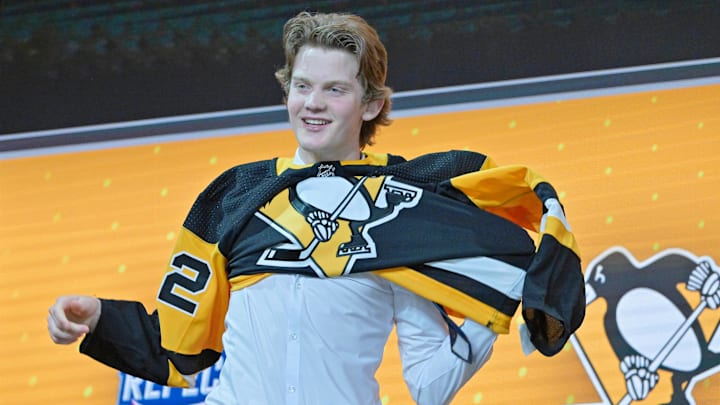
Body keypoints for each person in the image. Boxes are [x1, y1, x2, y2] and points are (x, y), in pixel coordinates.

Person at [47, 11, 585, 405]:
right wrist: (98, 318)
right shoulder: (234, 196)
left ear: (371, 103)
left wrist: (498, 296)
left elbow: (428, 385)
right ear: (287, 92)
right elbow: (180, 346)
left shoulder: (409, 210)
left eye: (334, 89)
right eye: (302, 86)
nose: (313, 103)